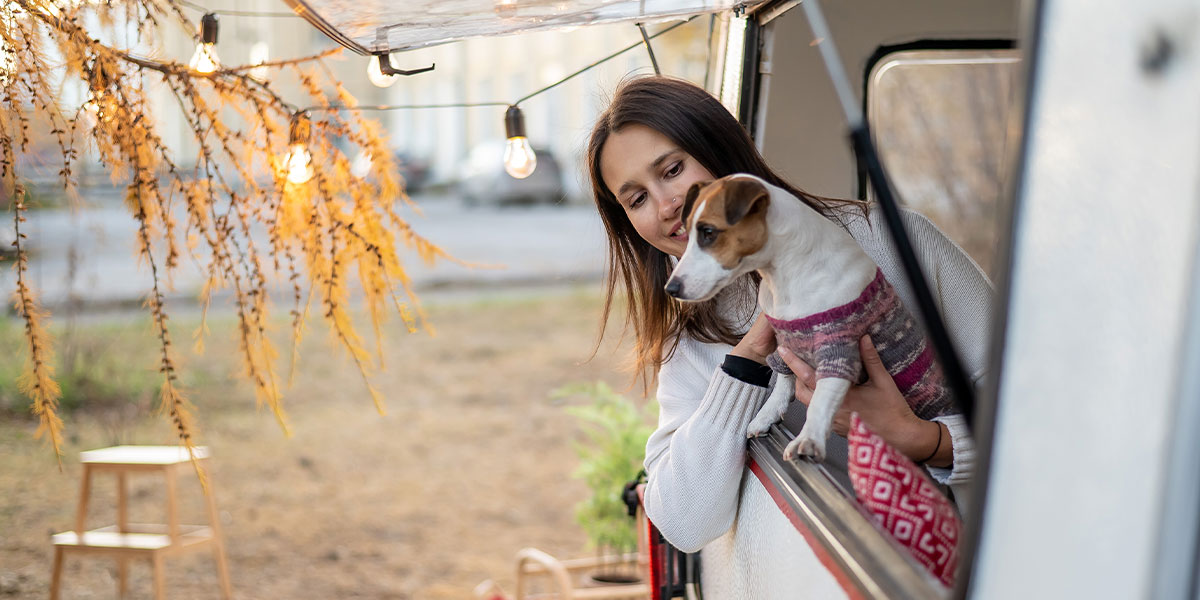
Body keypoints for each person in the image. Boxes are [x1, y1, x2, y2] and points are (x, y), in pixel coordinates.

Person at [585, 76, 991, 598]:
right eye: (637, 197)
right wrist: (748, 359)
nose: (665, 205)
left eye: (673, 169)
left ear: (720, 152)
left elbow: (1040, 407)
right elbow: (684, 523)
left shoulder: (889, 241)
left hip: (971, 563)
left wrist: (925, 440)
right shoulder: (690, 341)